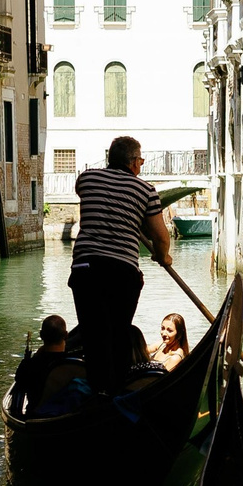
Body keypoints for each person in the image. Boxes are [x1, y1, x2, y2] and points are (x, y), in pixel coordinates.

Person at [69, 136, 173, 398]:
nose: (141, 165)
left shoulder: (87, 178)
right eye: (141, 161)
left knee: (93, 334)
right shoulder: (146, 191)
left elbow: (93, 197)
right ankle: (113, 394)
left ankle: (98, 393)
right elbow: (160, 237)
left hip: (85, 268)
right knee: (117, 333)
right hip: (122, 272)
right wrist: (163, 257)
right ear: (134, 162)